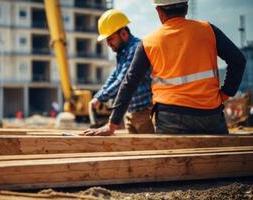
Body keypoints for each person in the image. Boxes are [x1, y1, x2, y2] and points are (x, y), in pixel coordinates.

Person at [84, 0, 246, 136]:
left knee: (170, 170)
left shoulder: (149, 42)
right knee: (218, 165)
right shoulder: (208, 30)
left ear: (159, 12)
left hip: (170, 118)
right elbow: (238, 60)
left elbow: (129, 82)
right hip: (210, 114)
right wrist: (226, 93)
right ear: (186, 7)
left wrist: (112, 125)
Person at [89, 9, 154, 133]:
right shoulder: (122, 52)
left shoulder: (136, 49)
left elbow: (123, 80)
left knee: (148, 150)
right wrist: (98, 96)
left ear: (123, 33)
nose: (108, 44)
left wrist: (101, 98)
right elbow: (114, 76)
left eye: (110, 39)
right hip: (130, 113)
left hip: (145, 114)